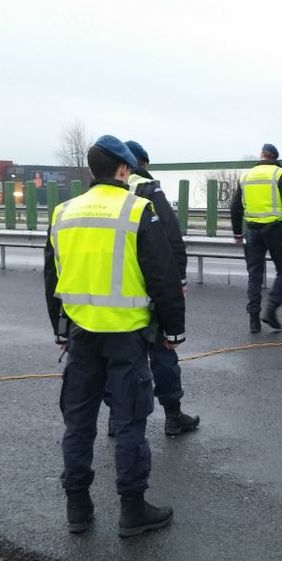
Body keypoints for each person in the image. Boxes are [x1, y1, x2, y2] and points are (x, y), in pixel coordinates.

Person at [44, 135, 186, 538]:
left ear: (92, 170)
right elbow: (161, 276)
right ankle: (132, 509)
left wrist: (60, 329)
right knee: (129, 422)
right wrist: (173, 330)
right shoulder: (138, 210)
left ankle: (78, 508)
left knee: (79, 423)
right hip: (126, 336)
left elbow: (52, 276)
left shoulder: (63, 212)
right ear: (124, 170)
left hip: (80, 336)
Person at [99, 140, 198, 438]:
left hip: (110, 288)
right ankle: (172, 416)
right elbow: (171, 239)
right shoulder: (148, 189)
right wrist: (178, 281)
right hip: (147, 286)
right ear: (138, 162)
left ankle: (116, 417)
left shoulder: (99, 194)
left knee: (115, 356)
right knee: (163, 350)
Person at [230, 143, 282, 333]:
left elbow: (236, 207)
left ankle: (253, 320)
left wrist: (237, 233)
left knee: (254, 276)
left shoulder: (245, 176)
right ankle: (271, 309)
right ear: (275, 158)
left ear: (261, 156)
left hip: (252, 231)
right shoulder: (279, 174)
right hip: (276, 230)